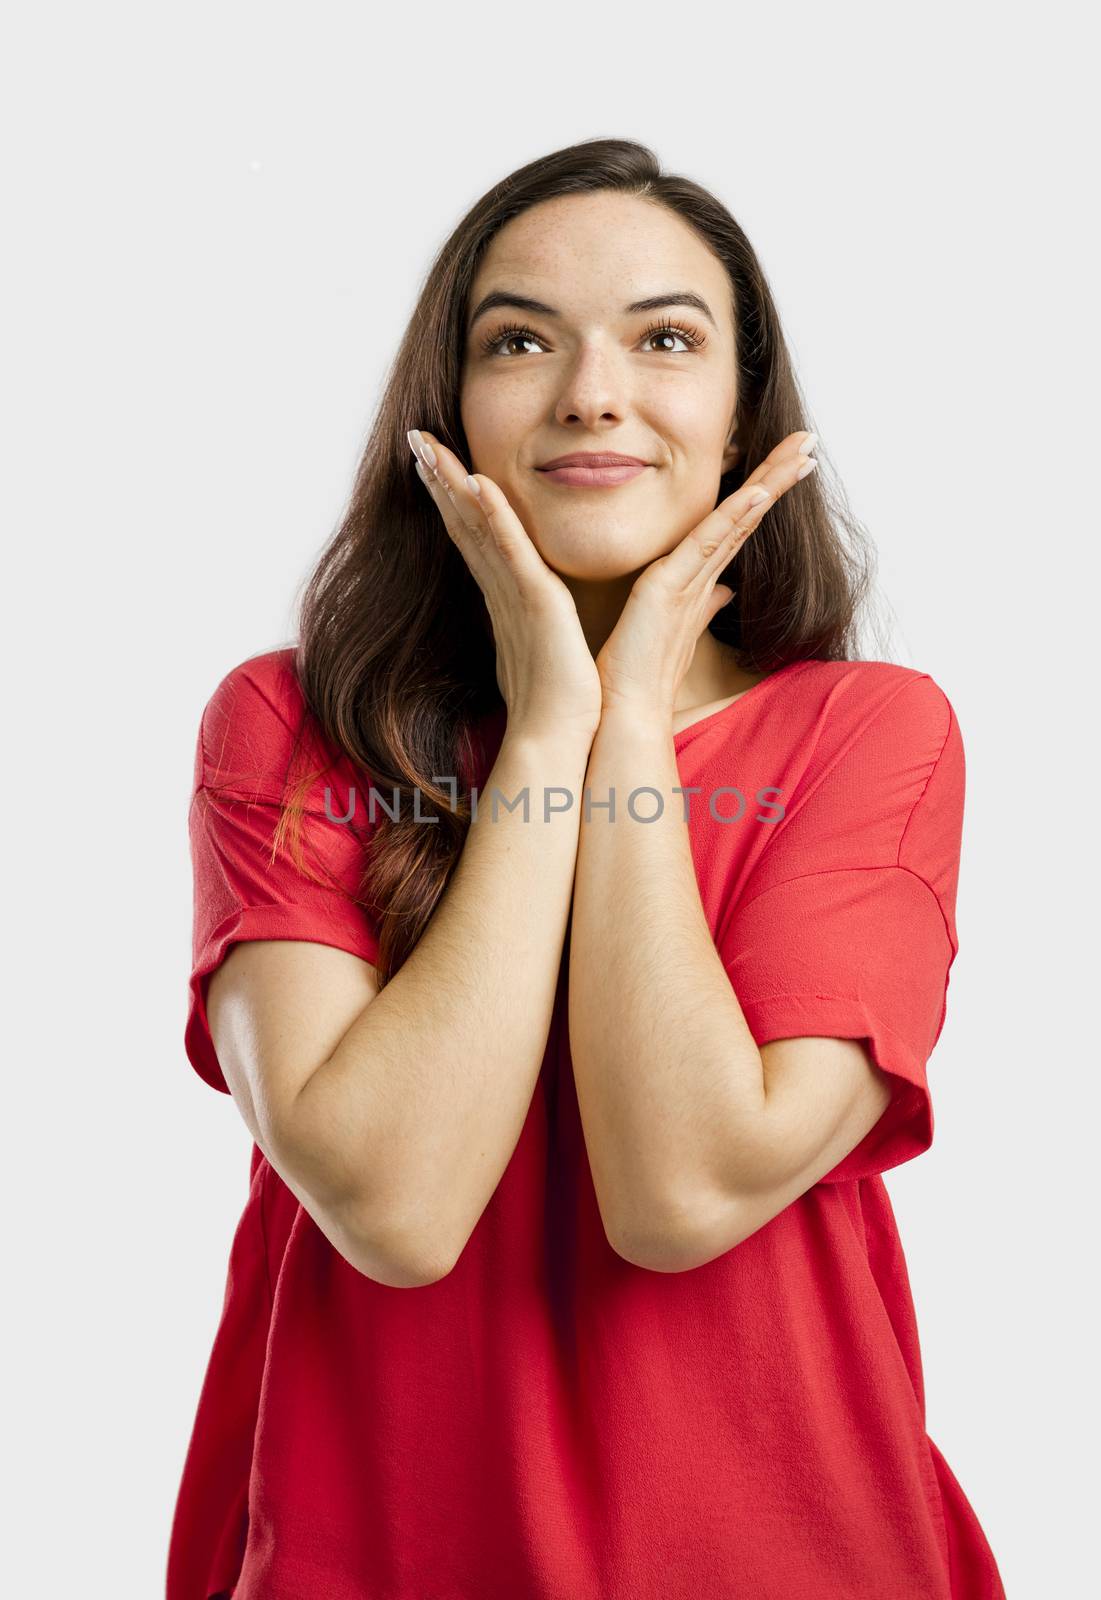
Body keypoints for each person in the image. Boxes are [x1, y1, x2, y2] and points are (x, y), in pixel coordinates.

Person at [166, 137, 1005, 1599]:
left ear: (745, 415)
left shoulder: (869, 735)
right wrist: (551, 727)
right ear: (448, 412)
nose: (590, 393)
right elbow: (395, 1207)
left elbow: (677, 1191)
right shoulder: (293, 726)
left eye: (664, 338)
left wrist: (624, 722)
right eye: (518, 341)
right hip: (379, 1555)